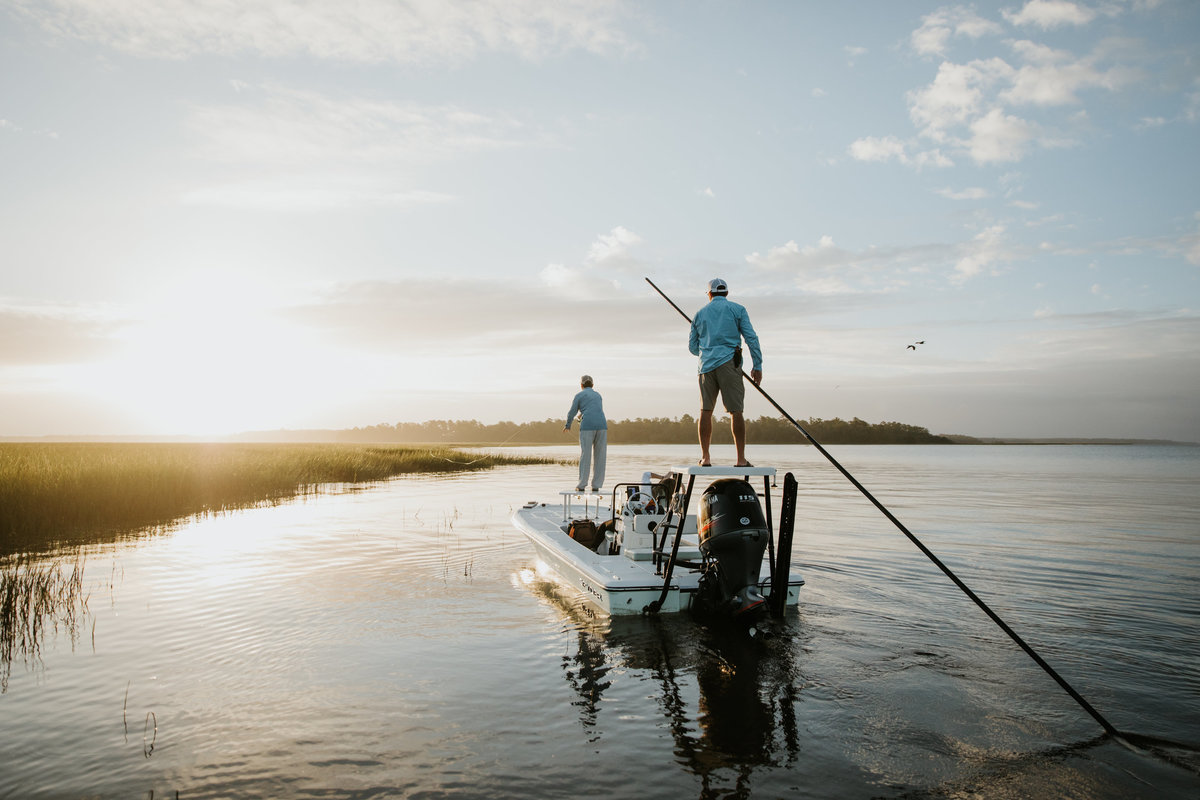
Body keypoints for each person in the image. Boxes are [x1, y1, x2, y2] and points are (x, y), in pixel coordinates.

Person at [689, 278, 762, 468]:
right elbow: (751, 338)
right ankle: (740, 459)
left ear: (710, 294)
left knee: (705, 410)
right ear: (727, 293)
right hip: (730, 363)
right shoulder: (738, 309)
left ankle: (705, 458)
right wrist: (757, 365)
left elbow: (692, 347)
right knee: (736, 411)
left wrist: (707, 351)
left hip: (705, 367)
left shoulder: (699, 314)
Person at [563, 374, 607, 491]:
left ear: (581, 385)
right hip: (602, 426)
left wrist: (568, 425)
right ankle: (596, 486)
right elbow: (595, 409)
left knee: (585, 455)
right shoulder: (598, 395)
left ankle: (582, 485)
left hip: (587, 426)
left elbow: (572, 412)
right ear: (592, 385)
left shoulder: (579, 395)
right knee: (600, 457)